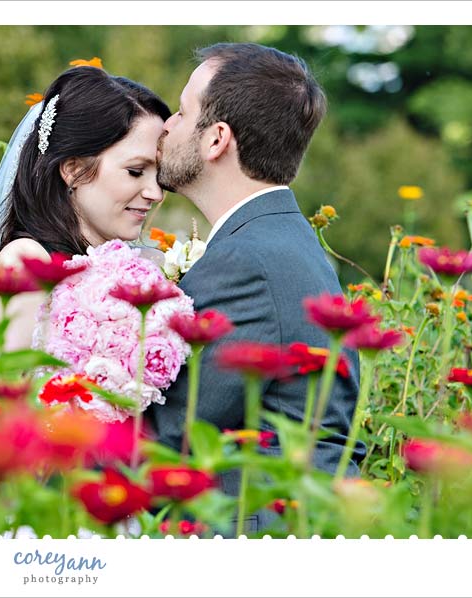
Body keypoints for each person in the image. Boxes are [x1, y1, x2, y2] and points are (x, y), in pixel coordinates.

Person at [145, 43, 365, 533]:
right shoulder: (280, 238)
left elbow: (175, 432)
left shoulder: (246, 260)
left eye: (182, 112)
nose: (165, 126)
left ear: (216, 139)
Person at [0, 66, 172, 419]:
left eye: (160, 175)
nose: (154, 193)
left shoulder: (139, 267)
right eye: (135, 171)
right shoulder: (29, 265)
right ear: (74, 169)